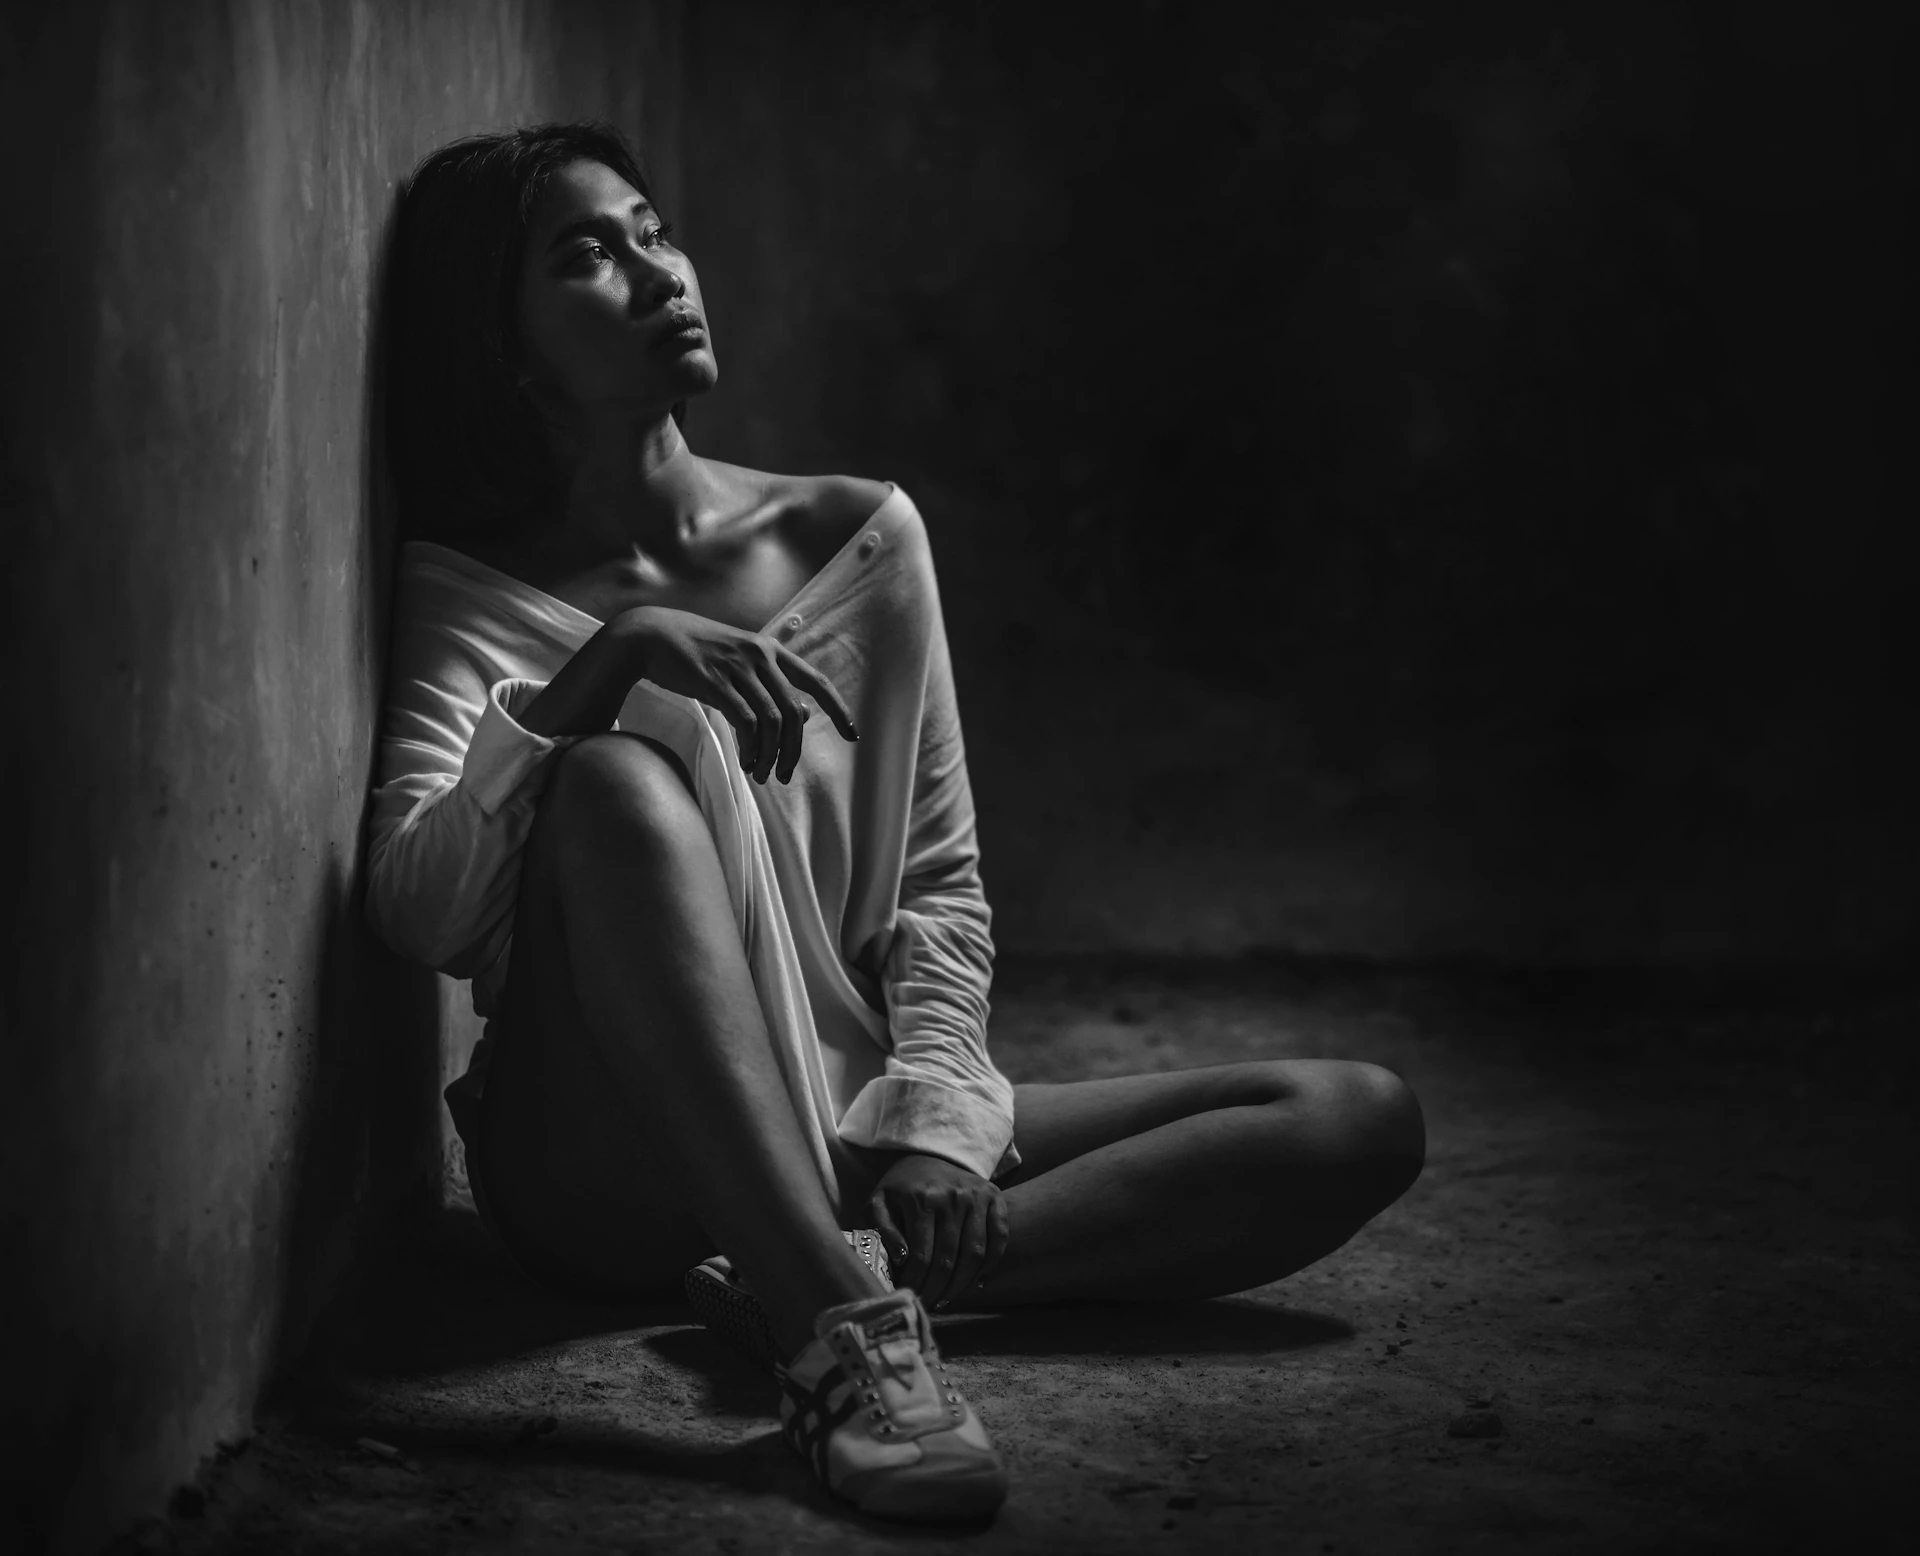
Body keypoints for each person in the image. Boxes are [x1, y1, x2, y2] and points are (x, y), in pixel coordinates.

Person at [364, 122, 1425, 1524]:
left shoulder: (862, 536)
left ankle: (813, 1271)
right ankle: (842, 1343)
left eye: (653, 231)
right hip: (608, 1165)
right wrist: (603, 666)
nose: (658, 272)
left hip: (846, 1118)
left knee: (1350, 1115)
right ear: (504, 349)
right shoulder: (470, 589)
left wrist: (936, 1122)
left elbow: (938, 883)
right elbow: (418, 910)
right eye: (588, 257)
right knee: (613, 782)